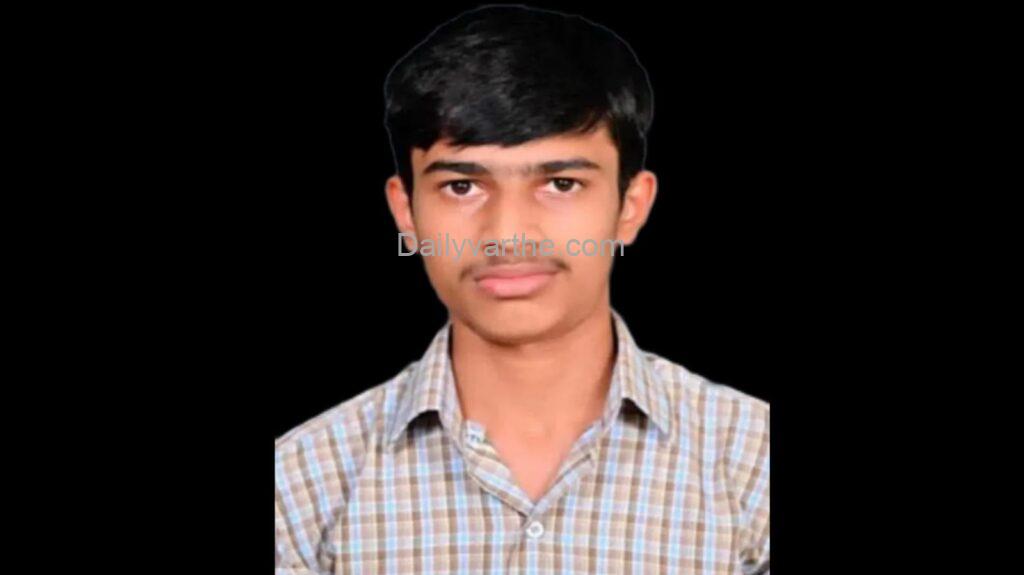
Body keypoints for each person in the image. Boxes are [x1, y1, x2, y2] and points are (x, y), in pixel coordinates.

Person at [275, 5, 769, 573]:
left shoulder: (754, 470)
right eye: (462, 187)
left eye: (561, 183)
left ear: (630, 206)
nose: (508, 235)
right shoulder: (301, 490)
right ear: (405, 211)